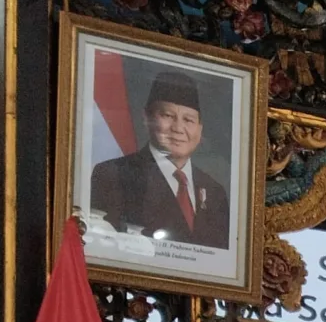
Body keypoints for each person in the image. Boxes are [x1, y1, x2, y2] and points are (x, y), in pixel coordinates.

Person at [88, 71, 232, 248]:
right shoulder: (113, 175)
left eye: (188, 120)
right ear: (147, 118)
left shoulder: (215, 192)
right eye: (168, 116)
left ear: (200, 128)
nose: (178, 128)